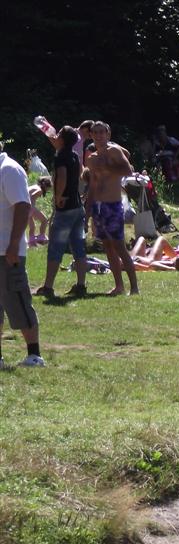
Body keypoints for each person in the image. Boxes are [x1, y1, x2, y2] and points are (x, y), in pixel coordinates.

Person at [0, 140, 44, 368]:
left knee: (17, 300)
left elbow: (23, 206)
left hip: (7, 251)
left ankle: (34, 354)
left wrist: (13, 245)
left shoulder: (9, 169)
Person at [85, 122, 139, 295]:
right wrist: (87, 213)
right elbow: (92, 186)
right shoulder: (91, 158)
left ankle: (134, 288)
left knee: (119, 246)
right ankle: (119, 286)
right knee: (107, 247)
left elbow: (127, 170)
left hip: (113, 205)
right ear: (91, 135)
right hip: (99, 206)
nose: (99, 135)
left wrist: (107, 167)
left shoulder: (114, 151)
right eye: (96, 132)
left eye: (102, 132)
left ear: (108, 134)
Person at [36, 126, 88, 298]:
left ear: (63, 139)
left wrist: (58, 196)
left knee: (56, 247)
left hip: (65, 209)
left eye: (58, 135)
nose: (55, 136)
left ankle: (48, 287)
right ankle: (81, 285)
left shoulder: (61, 156)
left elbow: (63, 176)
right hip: (78, 207)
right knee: (78, 246)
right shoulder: (74, 155)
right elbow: (80, 173)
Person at [27, 177, 51, 246]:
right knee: (44, 220)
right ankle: (41, 237)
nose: (48, 190)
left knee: (32, 226)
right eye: (48, 188)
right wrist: (32, 209)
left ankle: (32, 242)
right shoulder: (39, 189)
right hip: (30, 207)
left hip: (25, 207)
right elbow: (32, 195)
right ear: (45, 185)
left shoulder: (33, 186)